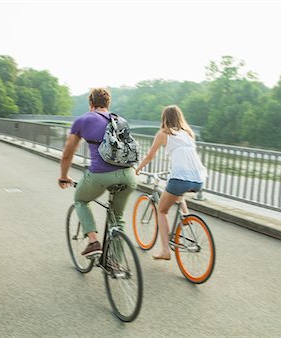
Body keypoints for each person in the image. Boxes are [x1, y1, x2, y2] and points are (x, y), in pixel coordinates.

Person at [58, 88, 137, 257]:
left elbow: (67, 154)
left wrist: (63, 176)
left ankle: (93, 242)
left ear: (91, 104)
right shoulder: (120, 120)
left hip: (100, 175)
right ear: (108, 104)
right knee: (118, 217)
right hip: (129, 175)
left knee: (80, 199)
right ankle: (116, 264)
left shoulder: (83, 120)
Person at [135, 105, 207, 260]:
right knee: (178, 192)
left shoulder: (163, 133)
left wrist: (138, 169)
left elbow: (150, 156)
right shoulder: (189, 133)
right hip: (199, 179)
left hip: (180, 178)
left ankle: (165, 250)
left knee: (162, 210)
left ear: (164, 118)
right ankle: (186, 218)